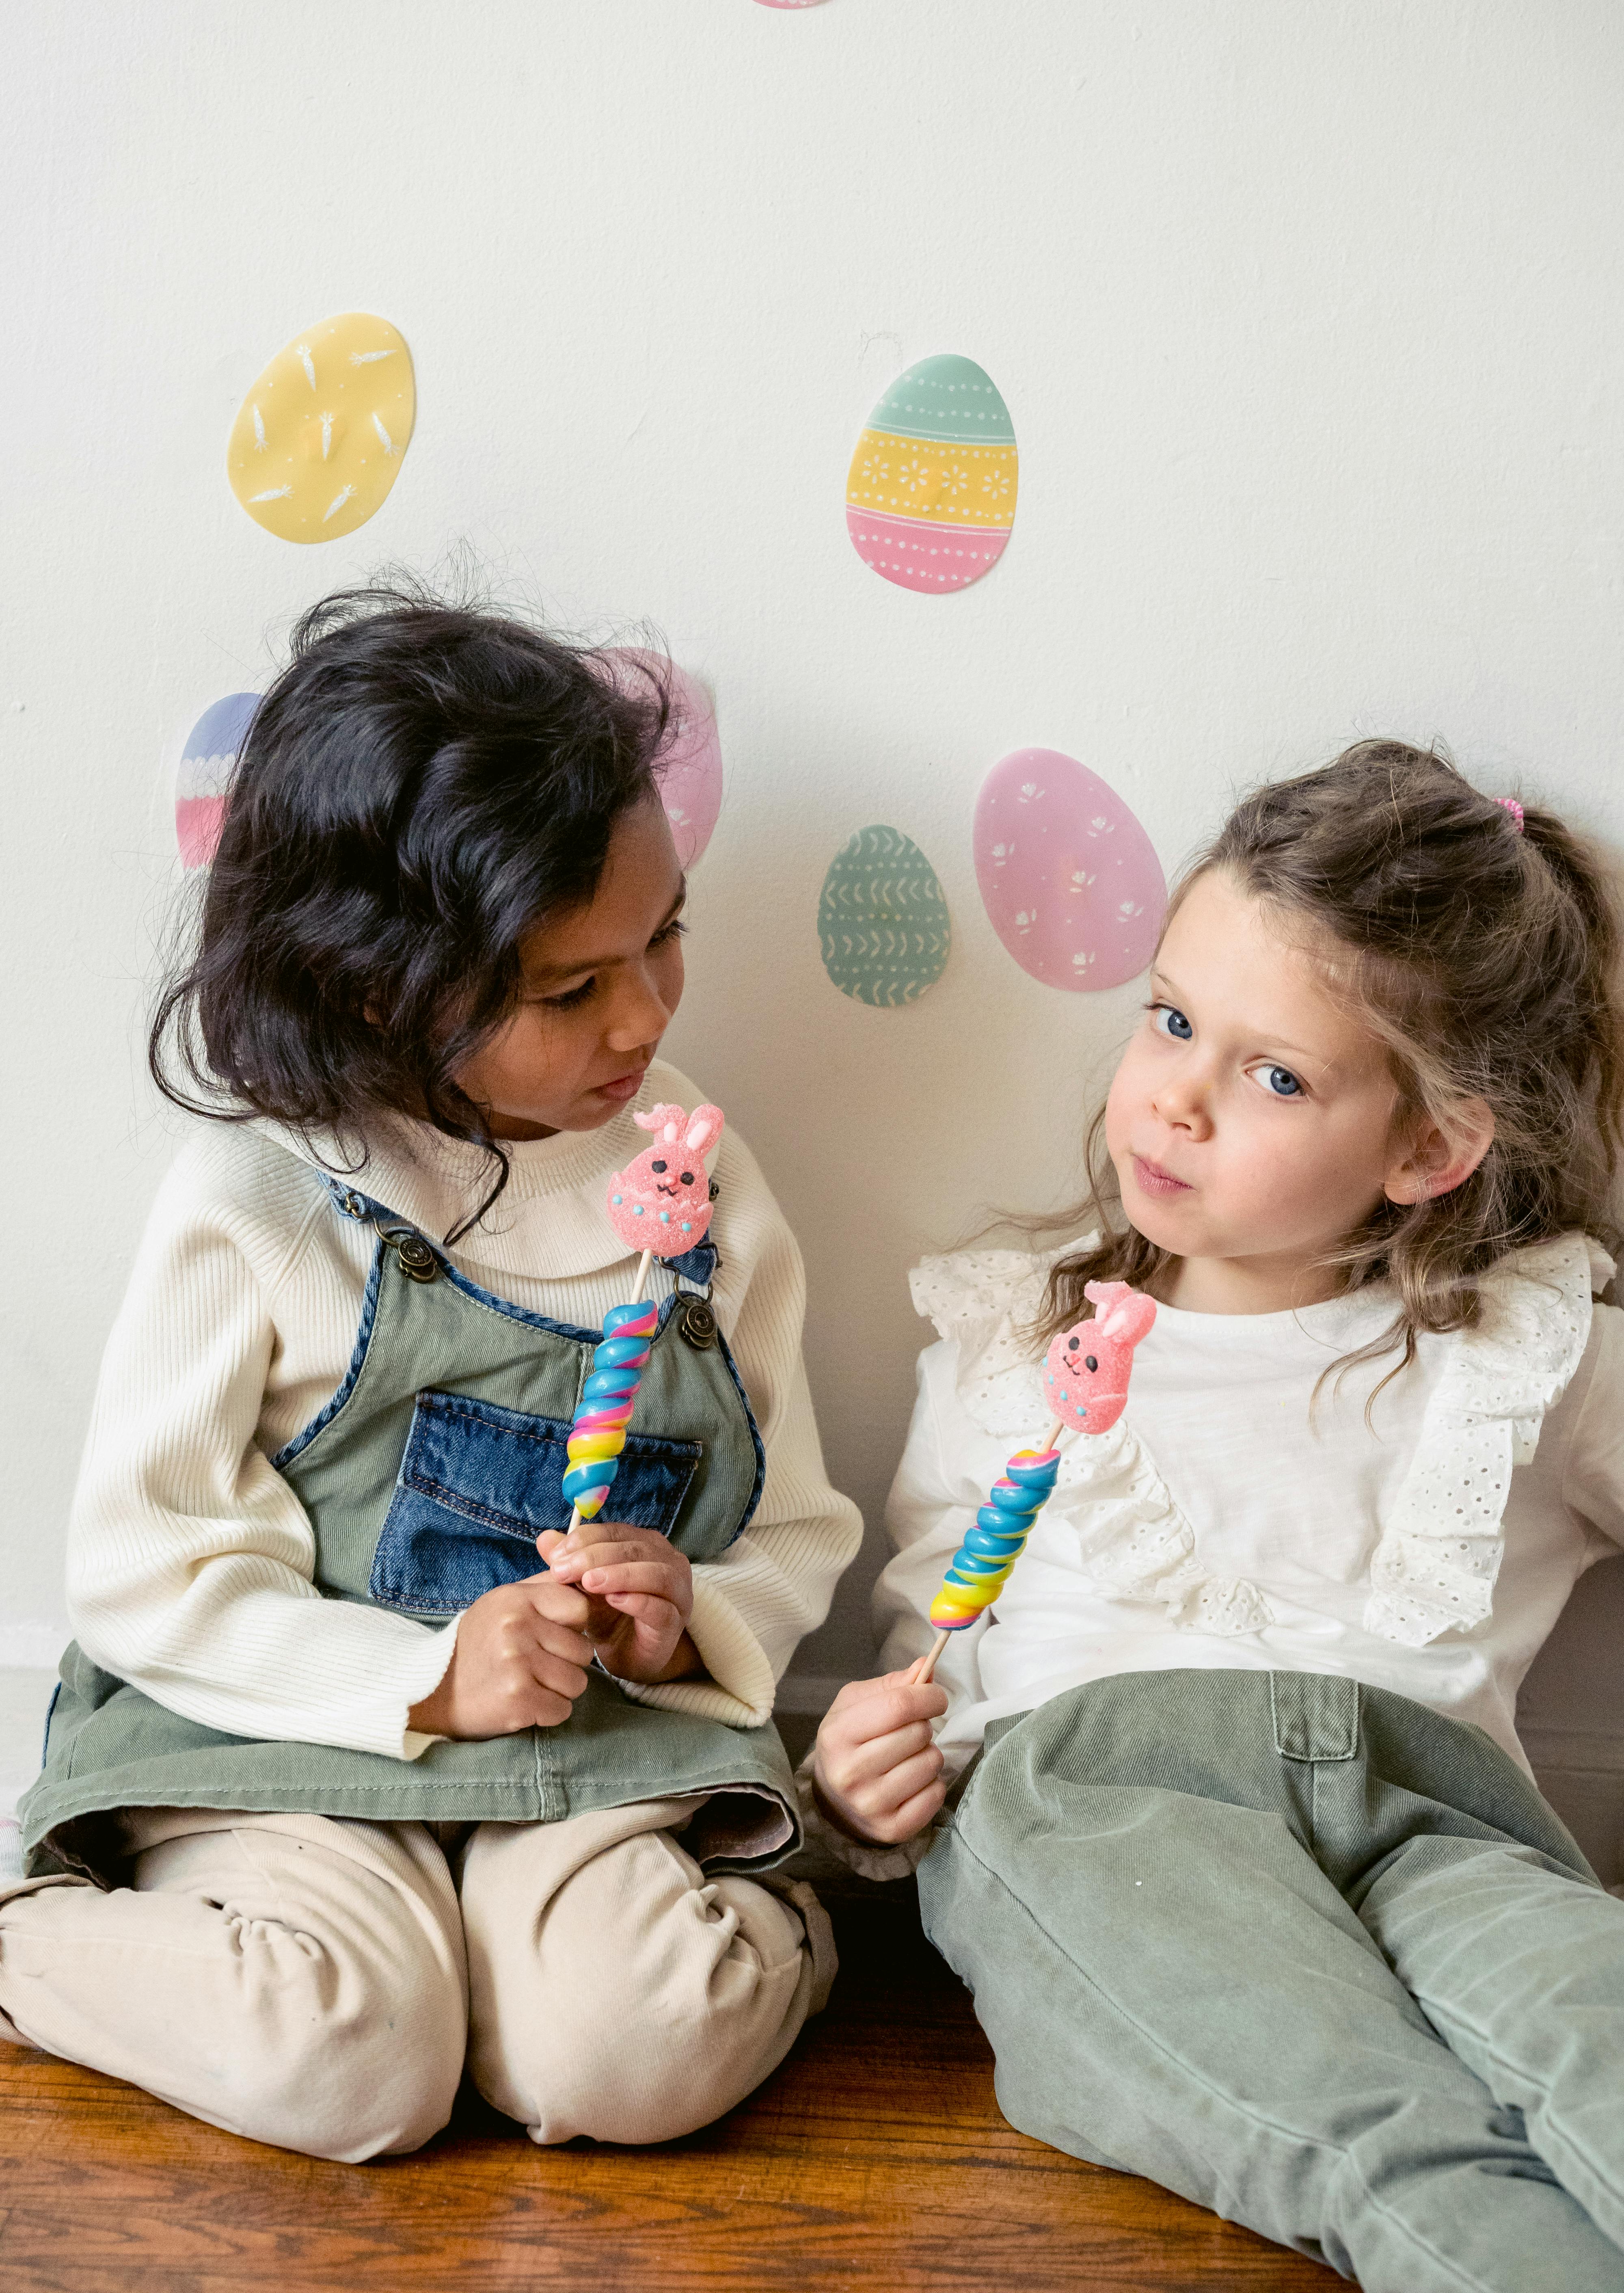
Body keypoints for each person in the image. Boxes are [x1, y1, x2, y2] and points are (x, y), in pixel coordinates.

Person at [0, 584, 861, 2161]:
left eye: (663, 936)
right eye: (570, 988)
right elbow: (143, 1570)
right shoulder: (261, 1206)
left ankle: (740, 1931)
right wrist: (419, 1679)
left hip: (595, 1739)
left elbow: (794, 1523)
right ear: (372, 988)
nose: (649, 1010)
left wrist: (692, 1621)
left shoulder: (701, 1190)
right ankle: (30, 1943)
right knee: (354, 2066)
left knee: (632, 2054)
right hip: (288, 1741)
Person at [812, 741, 1624, 2291]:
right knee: (1372, 2125)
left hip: (1436, 1818)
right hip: (1108, 1812)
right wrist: (858, 1782)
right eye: (1172, 1019)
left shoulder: (1524, 1346)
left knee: (1596, 2035)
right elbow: (936, 1657)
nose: (1174, 1099)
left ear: (1430, 1149)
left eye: (1273, 1075)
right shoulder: (1008, 1347)